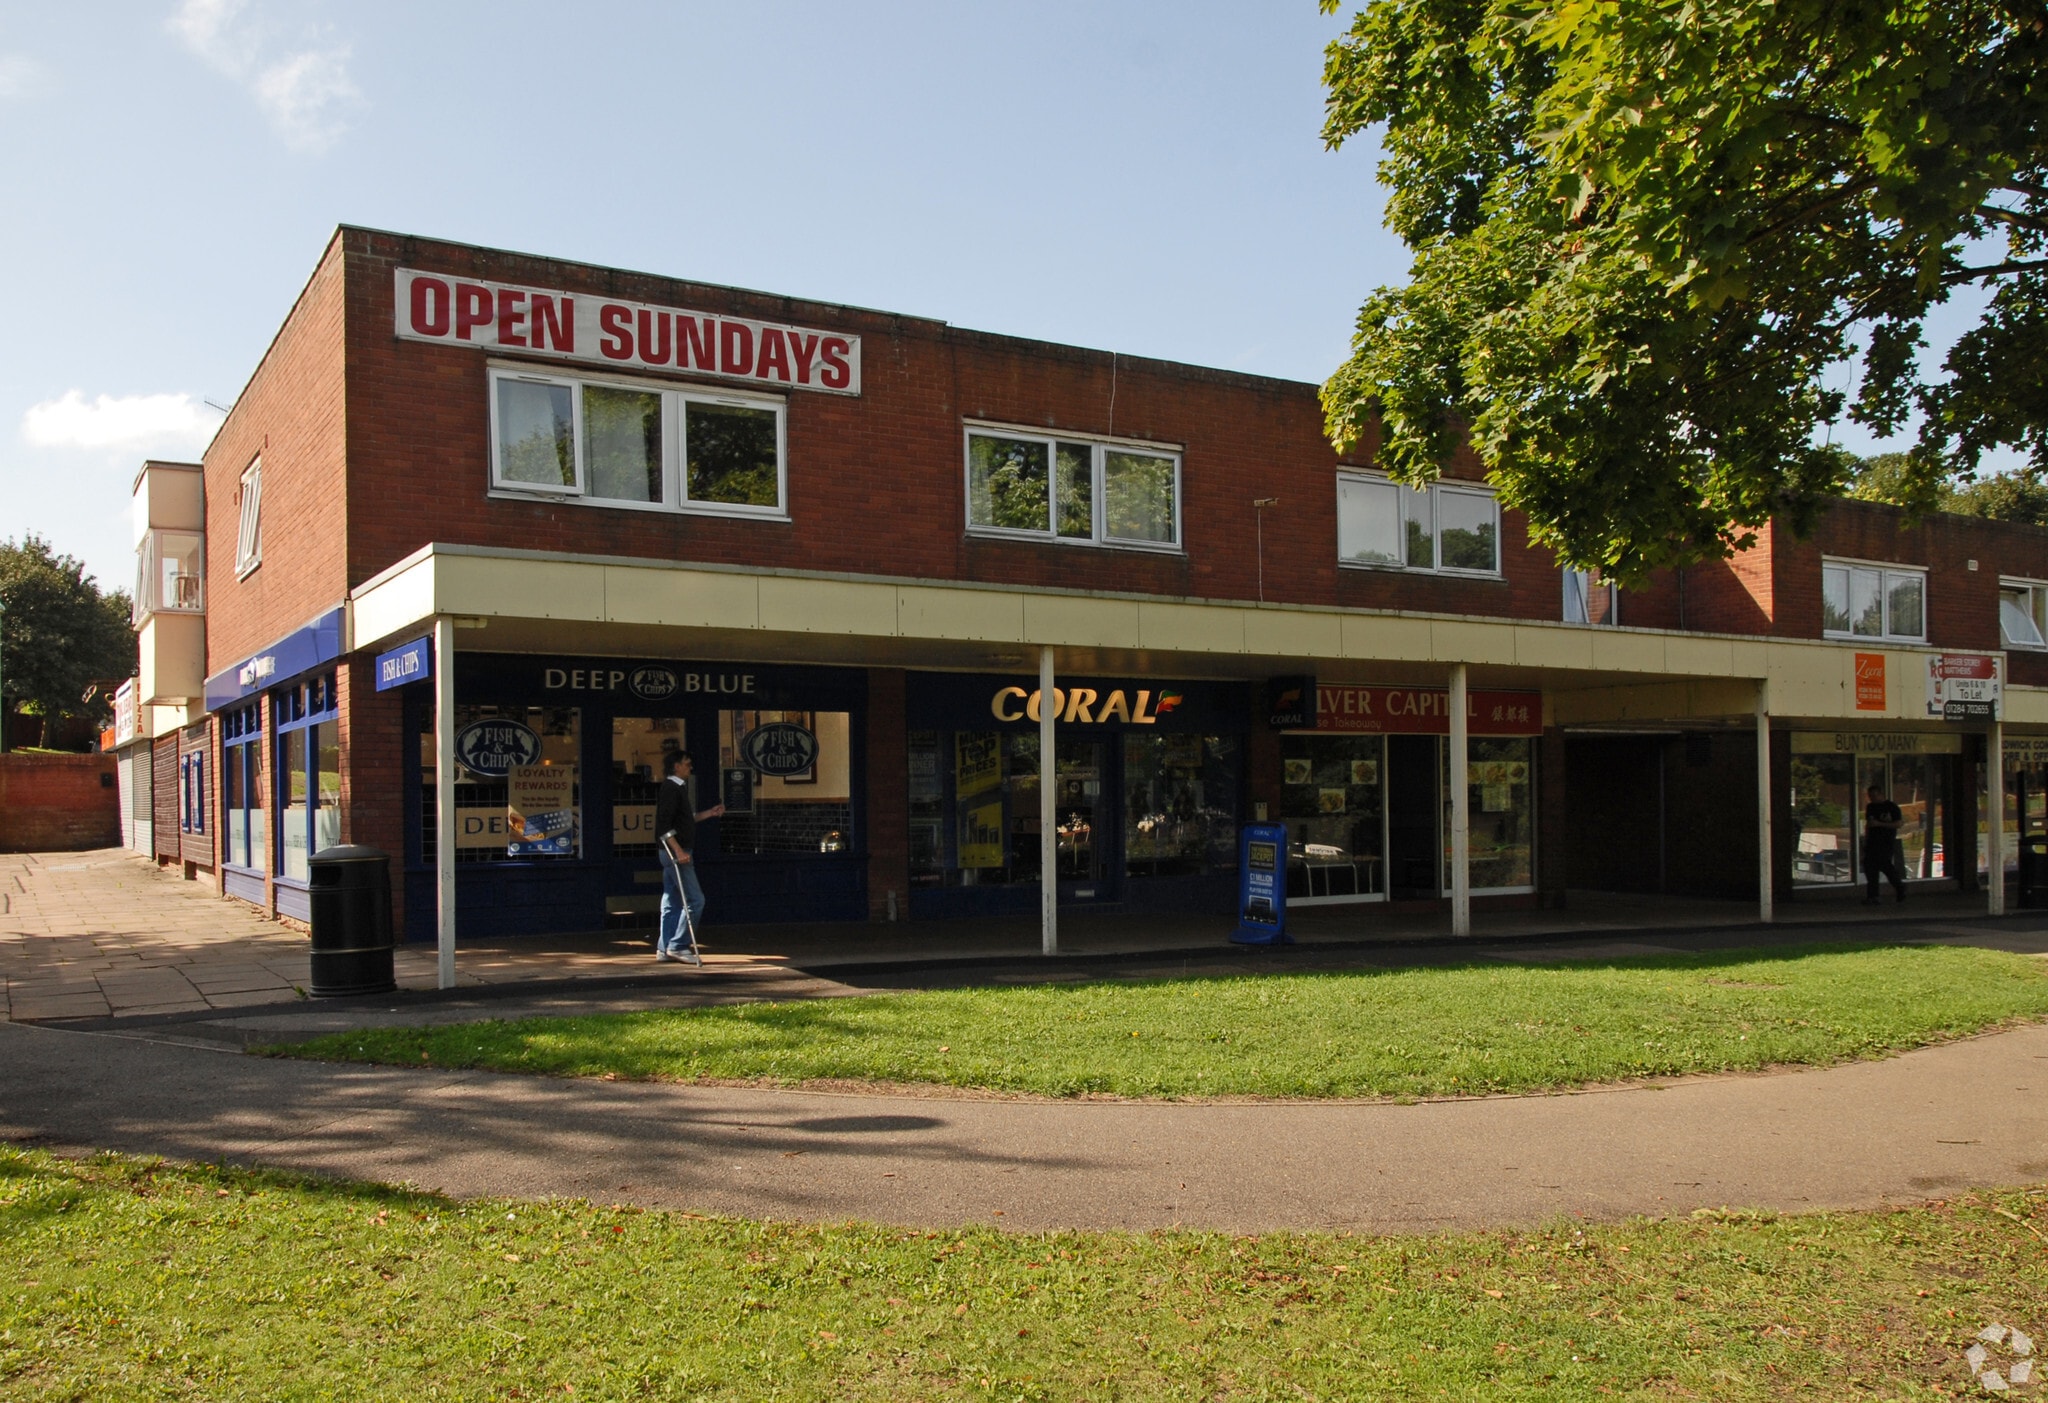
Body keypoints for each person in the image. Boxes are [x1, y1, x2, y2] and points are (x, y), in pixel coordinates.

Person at [654, 751, 724, 963]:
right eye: (686, 764)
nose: (689, 767)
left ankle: (664, 946)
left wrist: (709, 813)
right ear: (676, 766)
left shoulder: (677, 789)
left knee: (672, 900)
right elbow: (663, 826)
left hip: (673, 852)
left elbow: (685, 820)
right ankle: (678, 945)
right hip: (677, 852)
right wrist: (679, 851)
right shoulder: (671, 789)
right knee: (695, 899)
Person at [1862, 784, 1906, 904]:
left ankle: (1899, 887)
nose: (1873, 798)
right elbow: (1869, 825)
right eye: (1870, 796)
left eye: (1875, 795)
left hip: (1885, 842)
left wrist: (1880, 824)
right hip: (1872, 842)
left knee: (1885, 866)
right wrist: (1866, 840)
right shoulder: (1870, 807)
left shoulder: (1891, 807)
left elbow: (1898, 824)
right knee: (1870, 869)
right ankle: (1873, 896)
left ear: (1881, 794)